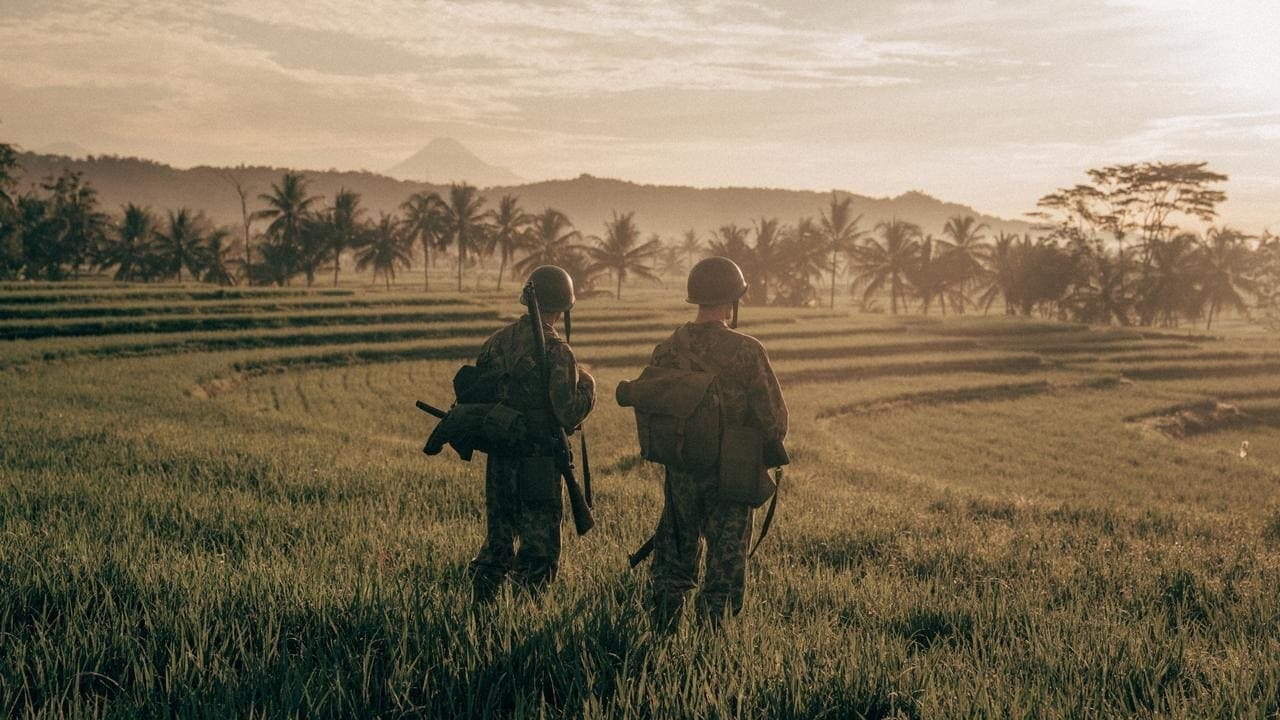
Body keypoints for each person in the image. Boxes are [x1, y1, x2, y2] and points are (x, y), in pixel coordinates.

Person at [646, 256, 788, 627]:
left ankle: (660, 637)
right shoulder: (746, 350)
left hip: (680, 473)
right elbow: (773, 421)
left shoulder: (666, 349)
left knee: (672, 566)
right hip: (732, 474)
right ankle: (710, 648)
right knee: (723, 573)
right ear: (731, 300)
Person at [469, 265, 596, 603]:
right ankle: (524, 619)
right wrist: (588, 390)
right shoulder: (557, 351)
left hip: (500, 456)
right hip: (539, 462)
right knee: (538, 551)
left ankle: (481, 609)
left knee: (498, 540)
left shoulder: (496, 342)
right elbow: (567, 413)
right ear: (564, 306)